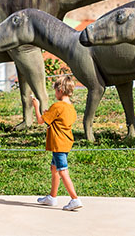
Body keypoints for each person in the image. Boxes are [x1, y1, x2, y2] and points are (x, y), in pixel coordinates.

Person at [30, 75, 82, 211]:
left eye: (55, 90)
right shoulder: (70, 107)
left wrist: (37, 106)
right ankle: (52, 197)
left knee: (62, 171)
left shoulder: (57, 106)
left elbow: (41, 121)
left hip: (58, 143)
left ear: (60, 90)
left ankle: (75, 199)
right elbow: (59, 121)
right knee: (54, 169)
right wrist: (50, 114)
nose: (55, 93)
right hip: (65, 142)